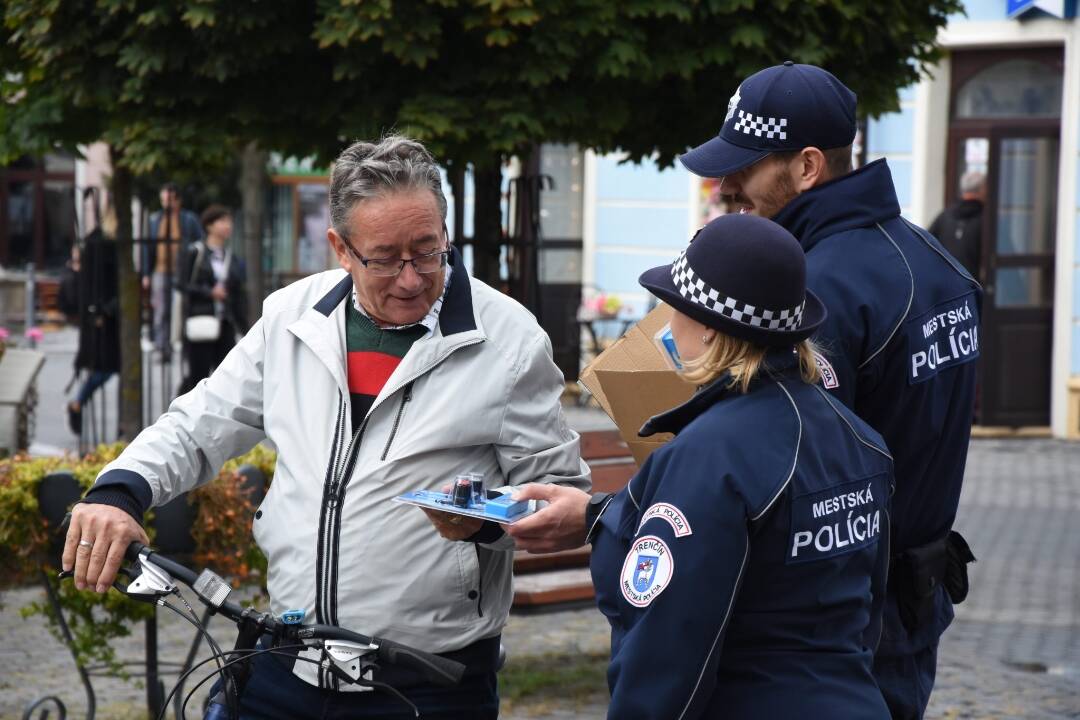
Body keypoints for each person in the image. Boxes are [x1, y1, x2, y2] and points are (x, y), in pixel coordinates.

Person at [62, 134, 589, 719]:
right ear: (340, 247)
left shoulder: (510, 338)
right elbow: (201, 420)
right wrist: (120, 490)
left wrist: (484, 523)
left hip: (429, 683)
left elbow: (559, 497)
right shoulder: (291, 317)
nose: (412, 278)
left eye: (428, 250)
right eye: (386, 258)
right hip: (286, 666)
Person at [674, 63, 980, 719]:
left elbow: (780, 471)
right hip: (908, 602)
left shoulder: (813, 293)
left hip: (836, 624)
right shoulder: (937, 262)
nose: (724, 185)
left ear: (808, 167)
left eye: (745, 166)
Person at [524, 214, 895, 718]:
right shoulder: (859, 438)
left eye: (672, 308)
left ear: (705, 326)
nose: (664, 325)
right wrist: (598, 517)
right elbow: (867, 612)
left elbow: (670, 649)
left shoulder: (707, 457)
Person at [177, 205, 248, 395]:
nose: (228, 226)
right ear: (209, 225)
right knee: (198, 377)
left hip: (226, 322)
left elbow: (238, 293)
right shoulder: (195, 252)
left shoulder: (231, 257)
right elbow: (182, 284)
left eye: (229, 221)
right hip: (202, 319)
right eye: (222, 221)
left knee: (226, 377)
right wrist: (209, 293)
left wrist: (245, 327)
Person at [142, 182, 203, 356]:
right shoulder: (155, 219)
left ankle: (183, 345)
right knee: (161, 309)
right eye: (164, 199)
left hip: (181, 270)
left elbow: (198, 242)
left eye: (169, 199)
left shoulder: (188, 219)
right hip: (160, 269)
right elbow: (148, 248)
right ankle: (162, 346)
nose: (166, 203)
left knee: (181, 307)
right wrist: (146, 273)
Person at [928, 171, 985, 280]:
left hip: (947, 285)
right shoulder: (986, 221)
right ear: (983, 190)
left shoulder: (945, 216)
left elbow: (925, 244)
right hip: (974, 287)